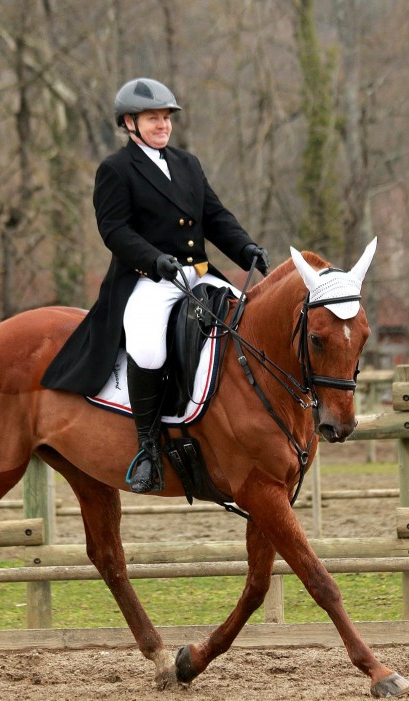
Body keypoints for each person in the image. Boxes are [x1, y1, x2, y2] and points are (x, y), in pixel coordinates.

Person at [41, 77, 269, 494]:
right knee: (149, 347)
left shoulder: (188, 164)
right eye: (152, 118)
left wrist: (247, 248)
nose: (162, 124)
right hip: (147, 279)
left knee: (248, 325)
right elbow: (113, 229)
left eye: (165, 117)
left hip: (198, 274)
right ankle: (147, 448)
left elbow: (216, 217)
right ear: (130, 122)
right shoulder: (116, 169)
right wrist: (154, 259)